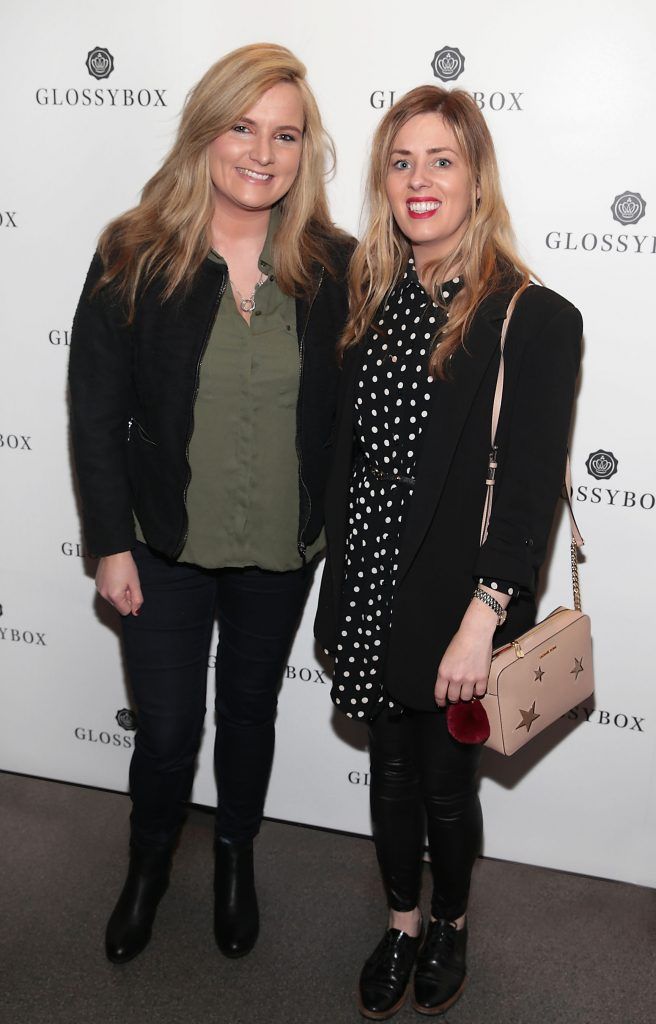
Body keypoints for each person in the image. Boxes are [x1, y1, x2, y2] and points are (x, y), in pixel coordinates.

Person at [69, 43, 352, 964]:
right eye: (243, 126)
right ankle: (148, 862)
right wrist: (110, 544)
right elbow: (96, 410)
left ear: (305, 150)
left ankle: (235, 854)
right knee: (167, 731)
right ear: (206, 130)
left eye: (285, 134)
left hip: (282, 546)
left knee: (249, 714)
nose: (262, 152)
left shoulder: (335, 265)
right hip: (161, 545)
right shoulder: (134, 252)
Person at [315, 86, 582, 1019]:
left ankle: (454, 922)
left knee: (442, 785)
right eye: (401, 161)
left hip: (457, 601)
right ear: (383, 181)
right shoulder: (372, 295)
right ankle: (401, 924)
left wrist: (483, 620)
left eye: (441, 160)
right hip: (369, 585)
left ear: (476, 177)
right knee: (387, 774)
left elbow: (524, 500)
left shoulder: (533, 316)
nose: (419, 180)